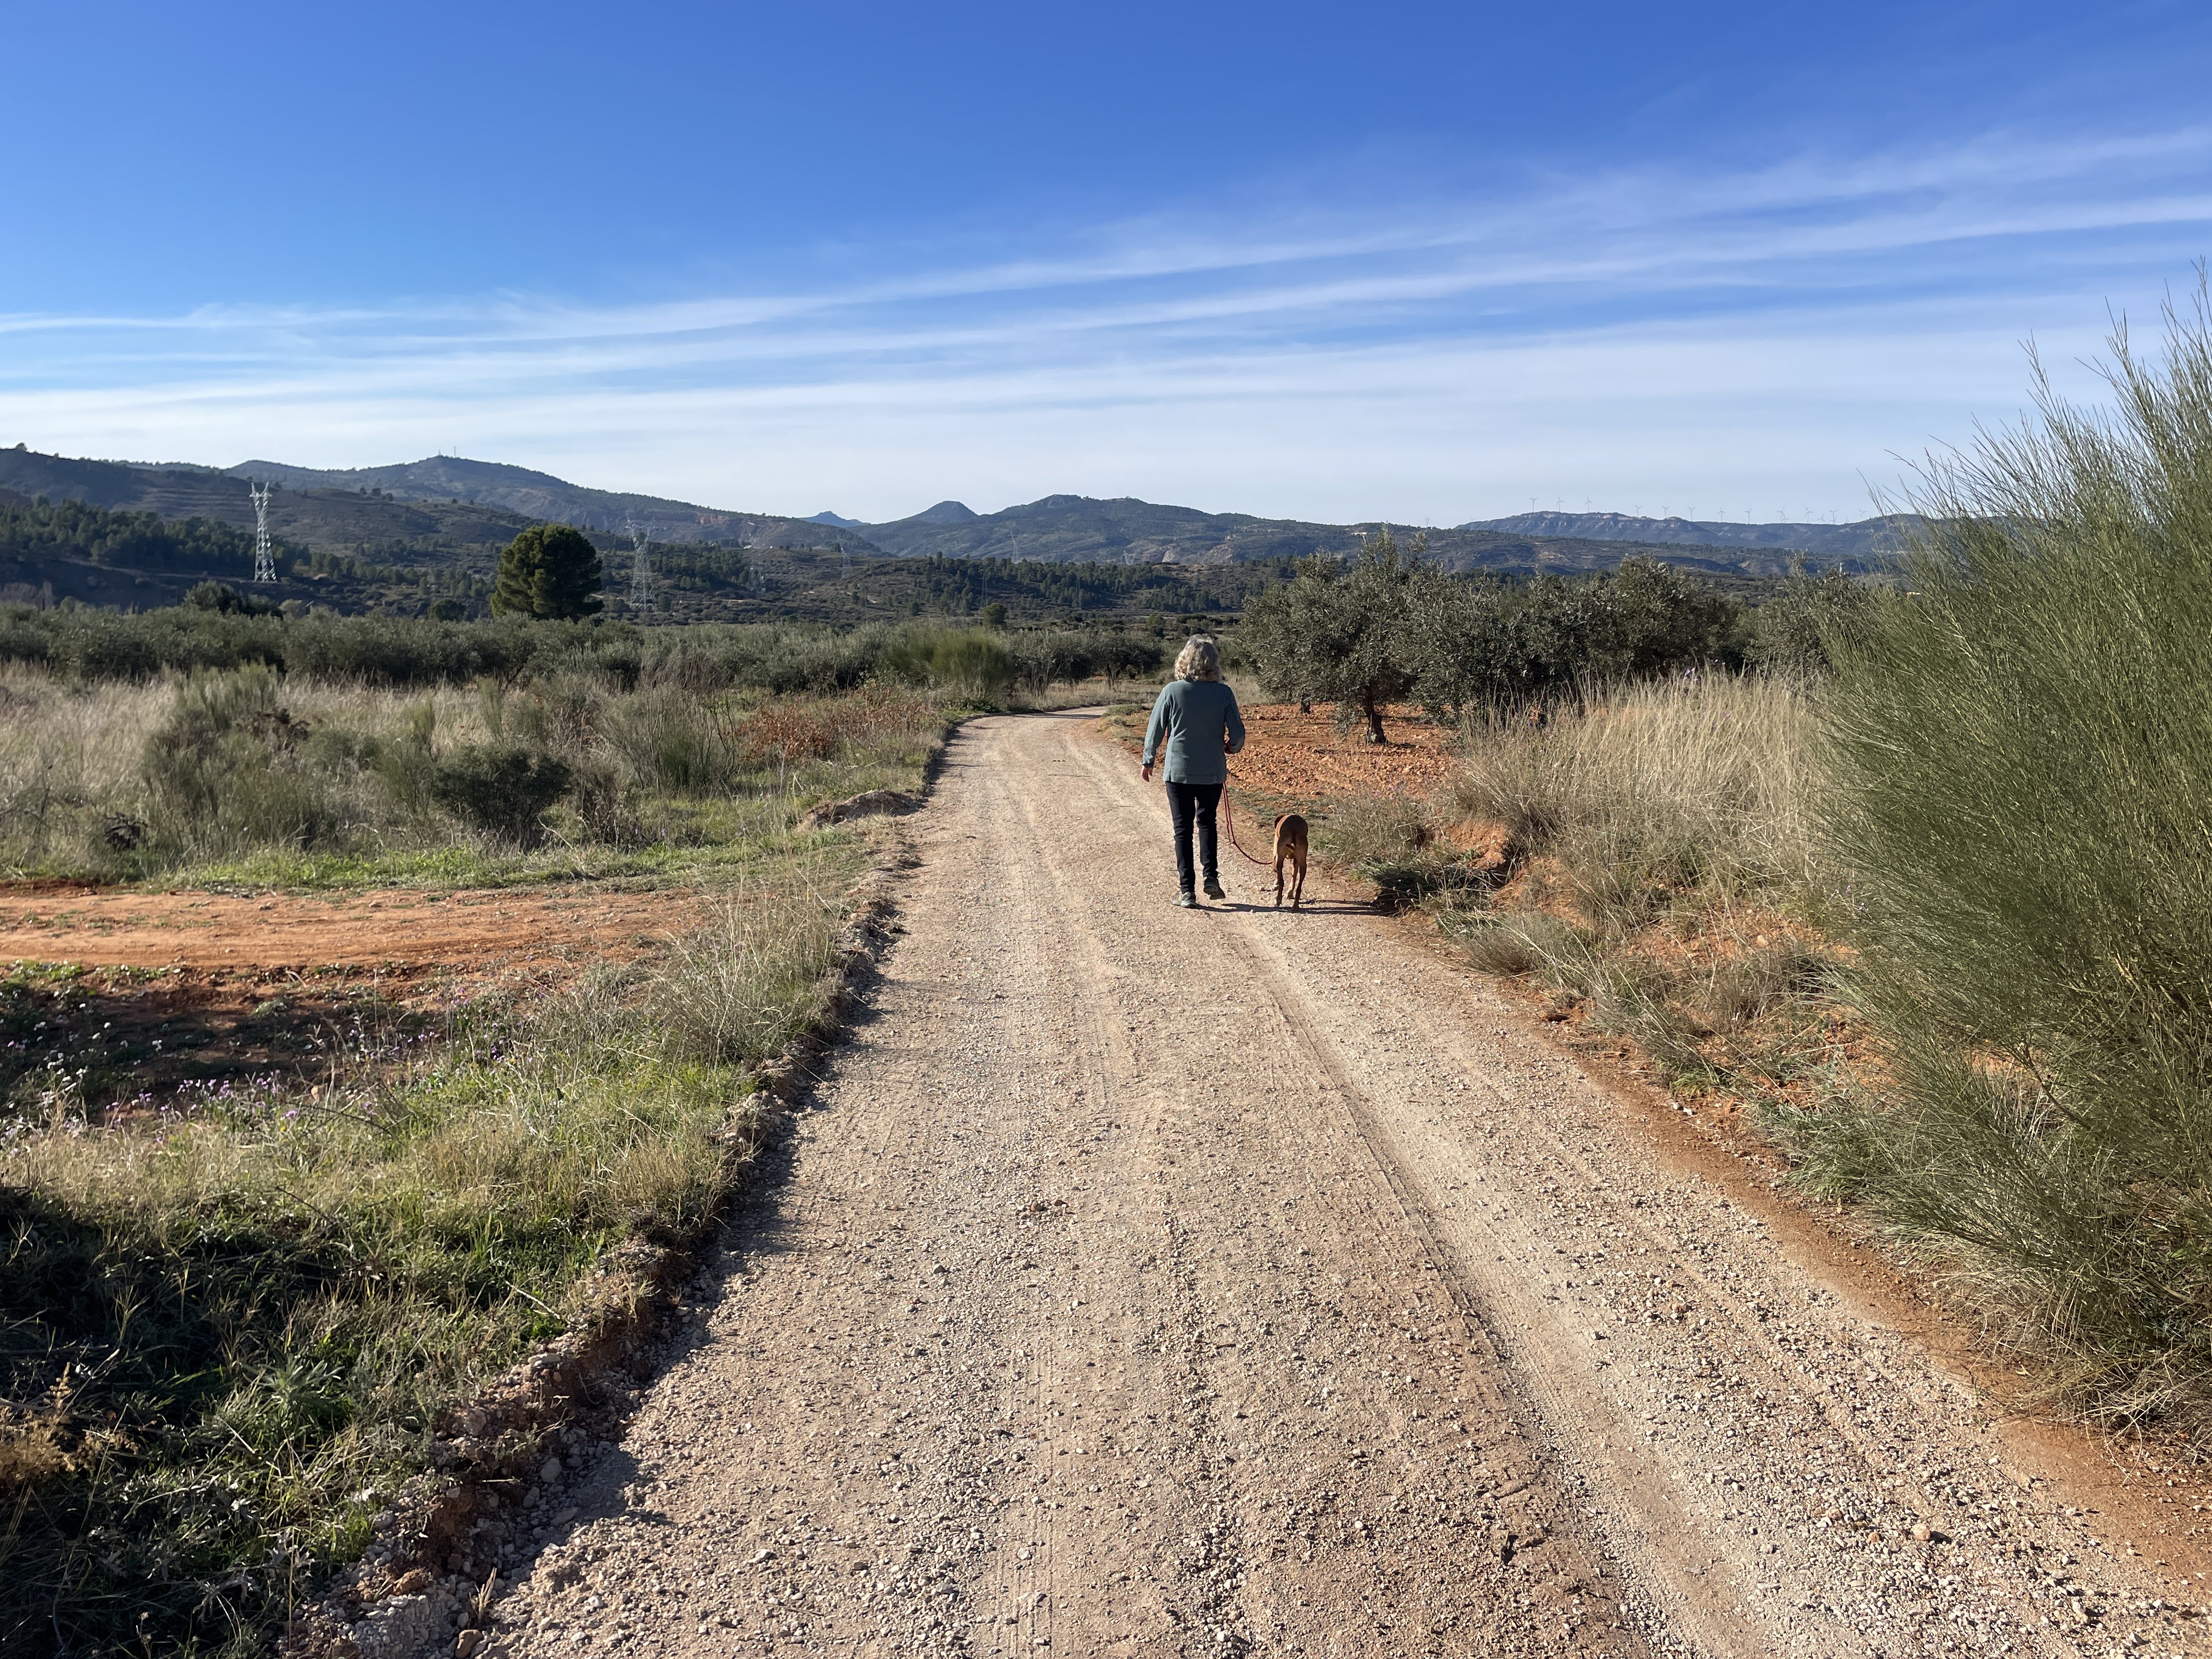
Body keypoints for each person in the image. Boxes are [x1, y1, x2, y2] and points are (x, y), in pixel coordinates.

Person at [1141, 635, 1246, 907]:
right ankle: (1211, 877)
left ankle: (1186, 891)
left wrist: (1148, 759)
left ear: (1184, 661)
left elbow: (1156, 729)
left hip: (1178, 772)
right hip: (1212, 772)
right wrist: (1231, 747)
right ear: (1214, 664)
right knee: (1208, 822)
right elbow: (1238, 735)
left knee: (1182, 829)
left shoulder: (1172, 691)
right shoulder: (1224, 693)